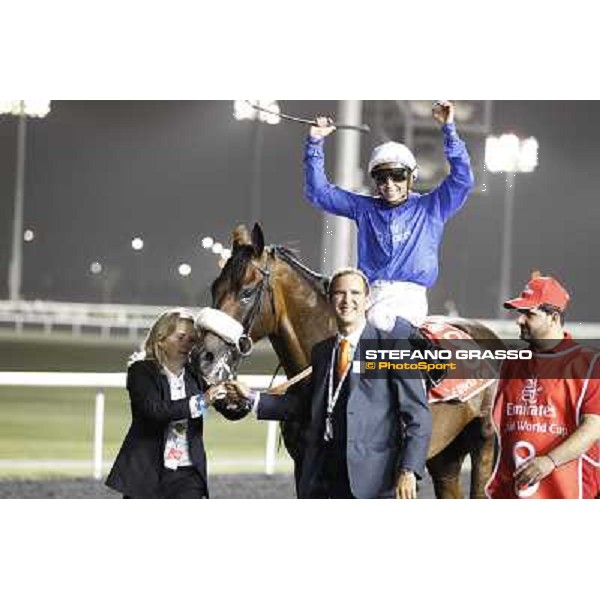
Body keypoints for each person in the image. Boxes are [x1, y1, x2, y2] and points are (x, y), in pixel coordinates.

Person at [225, 268, 432, 499]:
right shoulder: (322, 352)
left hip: (374, 484)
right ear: (330, 299)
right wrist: (253, 398)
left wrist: (409, 470)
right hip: (323, 481)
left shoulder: (394, 349)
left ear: (367, 300)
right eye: (339, 293)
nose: (347, 300)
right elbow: (304, 407)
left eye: (355, 293)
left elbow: (418, 416)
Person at [304, 100, 474, 329]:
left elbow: (463, 180)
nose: (389, 184)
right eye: (381, 178)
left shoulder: (432, 206)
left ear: (412, 177)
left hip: (409, 302)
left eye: (397, 175)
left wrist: (449, 129)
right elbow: (318, 193)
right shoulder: (365, 208)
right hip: (368, 296)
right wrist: (315, 141)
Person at [105, 308, 243, 499]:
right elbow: (153, 411)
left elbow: (229, 410)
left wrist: (239, 401)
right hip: (148, 472)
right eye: (180, 337)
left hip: (188, 473)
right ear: (160, 340)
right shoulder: (141, 370)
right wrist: (202, 401)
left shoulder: (196, 375)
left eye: (192, 340)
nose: (187, 344)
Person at [486, 275, 600, 499]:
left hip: (570, 492)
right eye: (521, 314)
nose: (519, 321)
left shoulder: (590, 365)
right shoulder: (510, 363)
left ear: (553, 318)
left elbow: (593, 429)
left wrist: (549, 461)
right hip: (510, 493)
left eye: (529, 314)